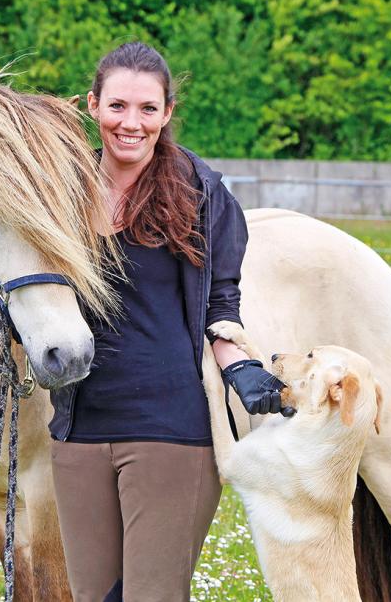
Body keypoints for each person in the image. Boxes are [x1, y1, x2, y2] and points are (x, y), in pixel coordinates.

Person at [46, 42, 292, 602]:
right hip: (78, 431)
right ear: (92, 106)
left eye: (147, 109)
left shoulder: (199, 192)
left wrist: (241, 366)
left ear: (168, 113)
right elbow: (35, 288)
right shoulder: (58, 192)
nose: (130, 123)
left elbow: (219, 301)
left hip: (169, 431)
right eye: (117, 107)